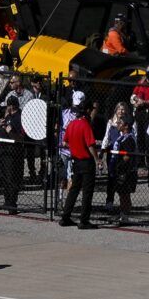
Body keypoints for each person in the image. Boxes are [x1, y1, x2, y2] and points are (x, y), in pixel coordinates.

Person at [59, 95, 99, 228]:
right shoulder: (85, 125)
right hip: (86, 161)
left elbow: (64, 142)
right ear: (87, 111)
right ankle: (84, 220)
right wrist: (97, 159)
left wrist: (75, 146)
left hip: (76, 161)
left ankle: (65, 217)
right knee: (87, 192)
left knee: (74, 190)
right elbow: (90, 145)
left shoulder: (71, 124)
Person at [103, 103, 137, 225]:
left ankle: (125, 215)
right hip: (119, 169)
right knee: (121, 193)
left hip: (125, 171)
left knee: (124, 194)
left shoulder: (129, 139)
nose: (118, 124)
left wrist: (119, 166)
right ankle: (123, 213)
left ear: (126, 126)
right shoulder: (121, 137)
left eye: (120, 123)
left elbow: (127, 157)